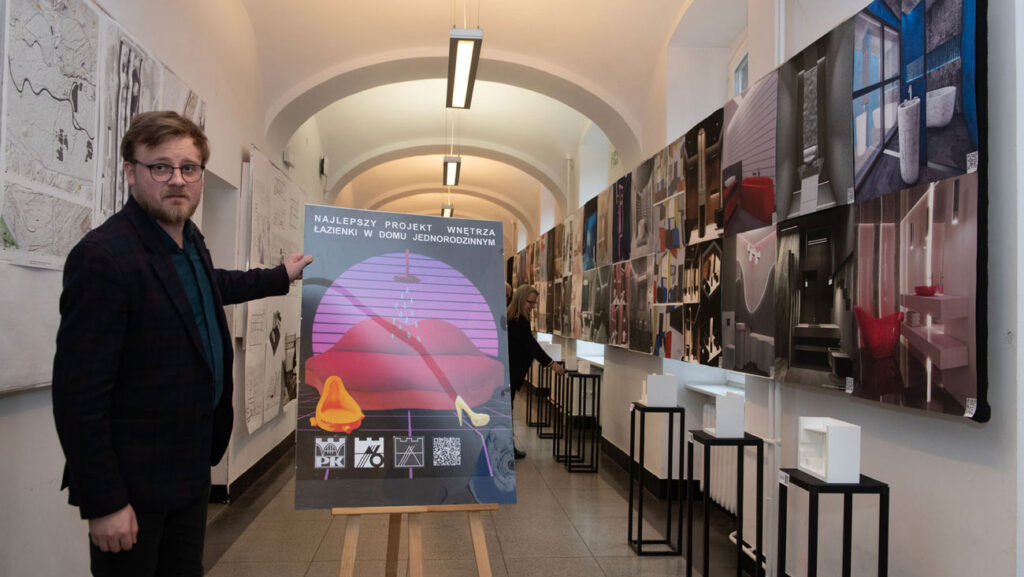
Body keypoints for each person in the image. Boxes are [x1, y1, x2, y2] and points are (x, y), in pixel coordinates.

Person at [51, 110, 313, 577]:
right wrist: (105, 501)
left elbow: (212, 286)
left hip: (189, 467)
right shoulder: (104, 258)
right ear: (130, 172)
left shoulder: (188, 242)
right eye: (160, 167)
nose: (177, 179)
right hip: (134, 482)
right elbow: (79, 396)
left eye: (189, 168)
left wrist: (280, 275)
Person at [506, 284, 564, 459]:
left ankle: (507, 447)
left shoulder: (514, 318)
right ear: (520, 300)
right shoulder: (518, 320)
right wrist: (552, 364)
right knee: (507, 410)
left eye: (534, 303)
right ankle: (507, 449)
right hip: (510, 372)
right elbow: (531, 345)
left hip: (510, 372)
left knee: (507, 409)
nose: (532, 306)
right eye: (530, 302)